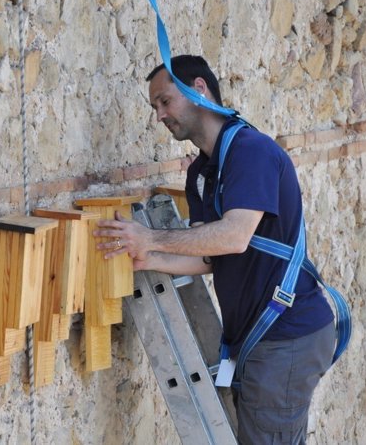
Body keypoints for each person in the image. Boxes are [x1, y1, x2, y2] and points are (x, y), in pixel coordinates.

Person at [94, 55, 336, 444]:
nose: (159, 115)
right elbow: (210, 255)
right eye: (154, 107)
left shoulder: (250, 151)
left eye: (165, 101)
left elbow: (234, 236)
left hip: (286, 335)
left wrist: (151, 237)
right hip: (261, 341)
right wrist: (149, 258)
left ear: (199, 90)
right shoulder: (202, 172)